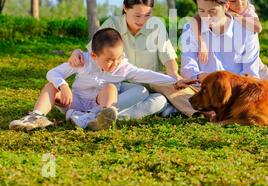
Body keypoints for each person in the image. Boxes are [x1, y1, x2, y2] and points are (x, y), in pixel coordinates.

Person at [9, 28, 192, 132]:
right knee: (50, 86)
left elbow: (146, 74)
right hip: (75, 100)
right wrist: (63, 86)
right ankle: (36, 117)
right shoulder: (83, 61)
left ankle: (99, 117)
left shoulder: (122, 66)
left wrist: (173, 80)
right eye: (109, 60)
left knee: (110, 87)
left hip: (99, 102)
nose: (115, 63)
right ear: (95, 55)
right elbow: (53, 73)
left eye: (119, 57)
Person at [68, 0, 203, 118]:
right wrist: (77, 51)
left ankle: (200, 110)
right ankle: (100, 114)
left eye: (147, 15)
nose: (142, 21)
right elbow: (94, 54)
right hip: (121, 87)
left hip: (151, 83)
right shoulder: (113, 24)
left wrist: (174, 75)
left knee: (164, 91)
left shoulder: (156, 26)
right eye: (137, 15)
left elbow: (168, 58)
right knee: (153, 98)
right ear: (125, 8)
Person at [190, 0, 268, 82]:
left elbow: (258, 27)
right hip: (238, 64)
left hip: (255, 63)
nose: (240, 3)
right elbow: (195, 19)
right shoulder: (216, 8)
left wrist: (236, 16)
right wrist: (201, 43)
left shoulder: (248, 9)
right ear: (226, 2)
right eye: (233, 0)